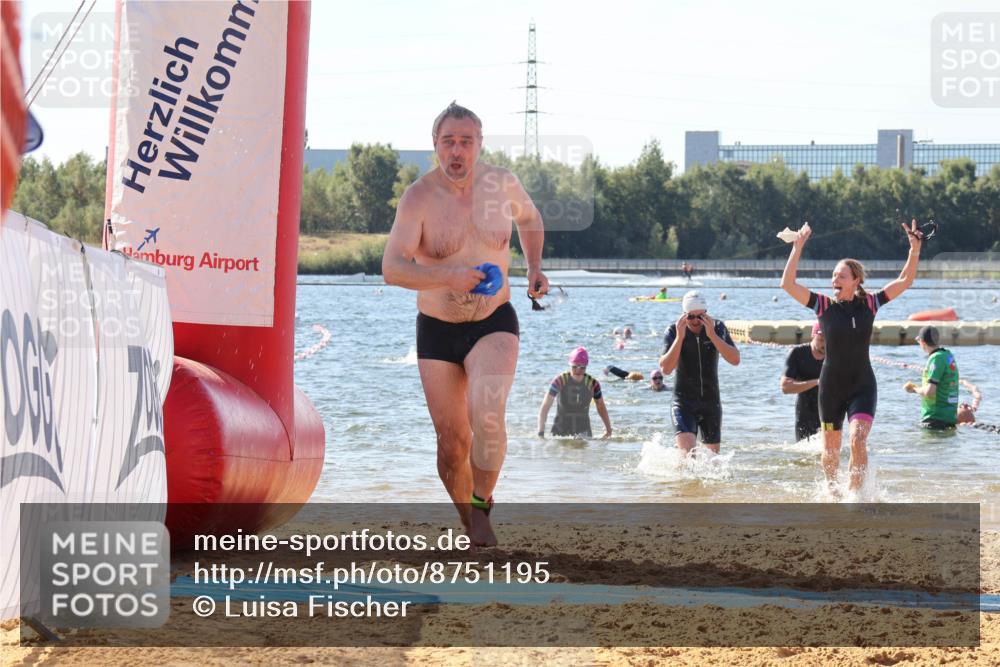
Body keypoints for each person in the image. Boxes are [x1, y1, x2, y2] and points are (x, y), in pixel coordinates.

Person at [382, 102, 549, 546]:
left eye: (466, 142)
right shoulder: (419, 197)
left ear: (479, 144)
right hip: (437, 328)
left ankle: (481, 506)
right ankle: (470, 521)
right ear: (435, 145)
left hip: (494, 319)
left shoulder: (502, 184)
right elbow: (392, 268)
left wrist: (534, 266)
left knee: (487, 415)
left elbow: (530, 218)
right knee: (452, 442)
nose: (457, 151)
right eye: (448, 142)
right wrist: (447, 276)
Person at [781, 220, 922, 493]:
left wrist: (914, 250)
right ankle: (832, 492)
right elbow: (787, 284)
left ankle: (855, 497)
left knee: (858, 439)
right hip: (831, 388)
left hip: (862, 386)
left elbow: (905, 280)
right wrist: (797, 247)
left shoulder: (871, 303)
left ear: (856, 280)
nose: (835, 280)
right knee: (831, 450)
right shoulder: (823, 306)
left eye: (841, 276)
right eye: (834, 275)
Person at [659, 291, 740, 454]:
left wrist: (713, 336)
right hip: (683, 402)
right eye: (691, 317)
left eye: (701, 316)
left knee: (712, 462)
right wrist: (679, 339)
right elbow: (666, 369)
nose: (696, 321)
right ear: (684, 315)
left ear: (706, 314)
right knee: (688, 456)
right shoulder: (673, 331)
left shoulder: (717, 327)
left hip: (711, 403)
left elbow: (735, 360)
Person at [538, 347, 612, 439]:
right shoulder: (560, 380)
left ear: (586, 366)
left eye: (582, 367)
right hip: (560, 430)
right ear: (570, 365)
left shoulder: (593, 384)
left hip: (584, 431)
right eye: (574, 367)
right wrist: (540, 432)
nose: (578, 370)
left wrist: (608, 429)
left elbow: (601, 406)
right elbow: (546, 405)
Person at [904, 325, 960, 430]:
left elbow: (930, 391)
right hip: (950, 418)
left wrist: (914, 389)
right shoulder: (948, 355)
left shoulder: (936, 358)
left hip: (935, 418)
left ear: (923, 342)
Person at [780, 322, 826, 441]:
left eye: (829, 340)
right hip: (805, 413)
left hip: (828, 414)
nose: (825, 344)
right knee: (803, 449)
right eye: (821, 339)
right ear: (813, 335)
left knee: (831, 449)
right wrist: (817, 382)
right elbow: (785, 387)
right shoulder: (798, 353)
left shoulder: (835, 355)